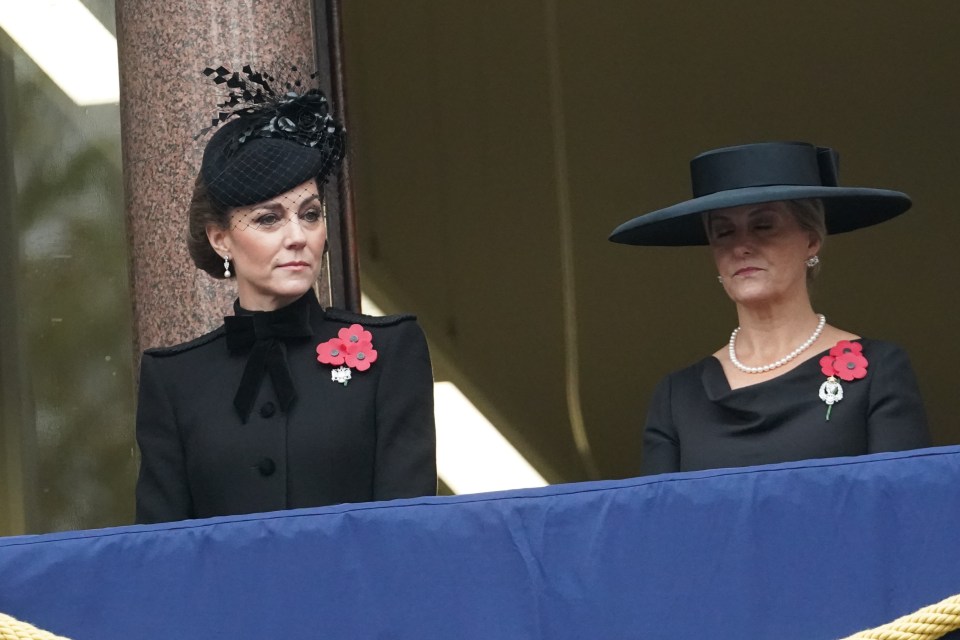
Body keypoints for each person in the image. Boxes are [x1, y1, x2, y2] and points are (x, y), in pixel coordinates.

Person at [135, 66, 436, 523]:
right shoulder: (175, 380)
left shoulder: (391, 352)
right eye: (268, 219)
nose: (298, 236)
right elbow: (161, 556)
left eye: (310, 214)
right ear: (220, 239)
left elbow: (409, 534)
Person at [609, 141, 930, 474]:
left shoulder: (880, 370)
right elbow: (657, 522)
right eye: (723, 232)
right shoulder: (677, 397)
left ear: (811, 239)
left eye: (763, 226)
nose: (742, 246)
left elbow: (902, 509)